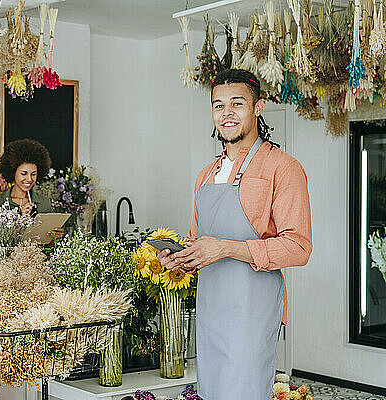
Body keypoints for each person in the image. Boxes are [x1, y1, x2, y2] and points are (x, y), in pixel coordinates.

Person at [158, 69, 312, 399]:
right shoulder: (205, 175)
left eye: (237, 103)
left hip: (252, 311)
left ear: (258, 108)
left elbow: (298, 247)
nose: (226, 113)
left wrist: (226, 248)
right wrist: (180, 259)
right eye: (218, 105)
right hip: (211, 308)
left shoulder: (283, 167)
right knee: (212, 391)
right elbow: (198, 243)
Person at [0, 138, 63, 237]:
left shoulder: (44, 203)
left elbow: (48, 244)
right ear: (13, 172)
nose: (29, 179)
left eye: (33, 174)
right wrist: (20, 219)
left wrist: (55, 236)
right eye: (24, 174)